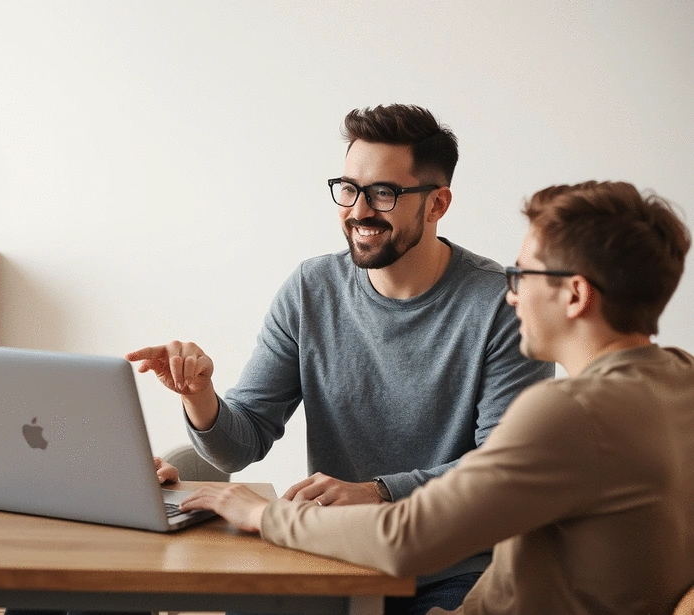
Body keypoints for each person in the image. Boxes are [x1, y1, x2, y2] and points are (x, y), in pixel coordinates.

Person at [177, 180, 694, 615]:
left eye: (521, 275)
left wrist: (262, 515)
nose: (510, 294)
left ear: (576, 295)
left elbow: (405, 540)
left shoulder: (570, 413)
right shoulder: (680, 381)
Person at [127, 104, 553, 611]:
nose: (359, 210)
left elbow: (499, 474)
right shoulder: (311, 289)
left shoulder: (504, 305)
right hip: (331, 558)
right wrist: (199, 395)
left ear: (437, 203)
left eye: (383, 193)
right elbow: (240, 445)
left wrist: (379, 491)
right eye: (349, 189)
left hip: (450, 570)